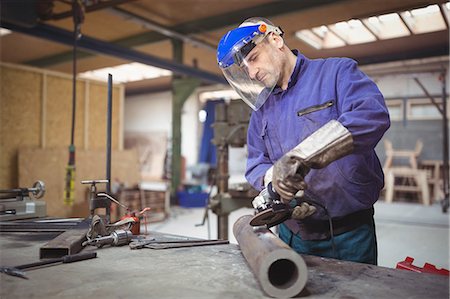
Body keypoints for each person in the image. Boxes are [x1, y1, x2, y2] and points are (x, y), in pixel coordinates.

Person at [216, 17, 390, 265]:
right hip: (290, 233)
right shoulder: (262, 110)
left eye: (253, 58)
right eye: (245, 69)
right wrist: (275, 179)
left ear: (275, 39)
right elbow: (256, 165)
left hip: (349, 234)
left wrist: (300, 158)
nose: (252, 73)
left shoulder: (336, 73)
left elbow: (370, 115)